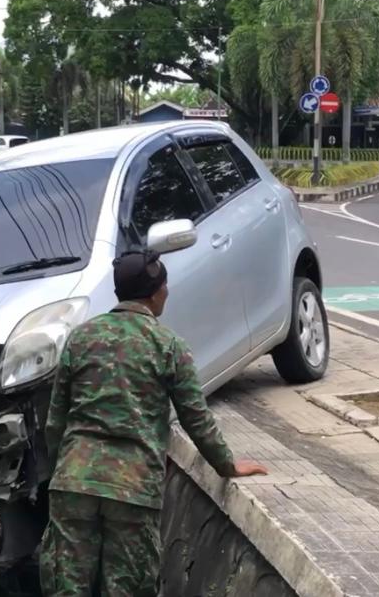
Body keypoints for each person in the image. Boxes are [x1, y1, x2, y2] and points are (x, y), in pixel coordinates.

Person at [40, 250, 269, 597]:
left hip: (73, 483)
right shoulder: (168, 346)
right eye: (165, 285)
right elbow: (196, 417)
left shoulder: (81, 338)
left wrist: (65, 469)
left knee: (67, 588)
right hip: (132, 489)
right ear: (156, 293)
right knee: (128, 587)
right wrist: (226, 464)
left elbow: (55, 419)